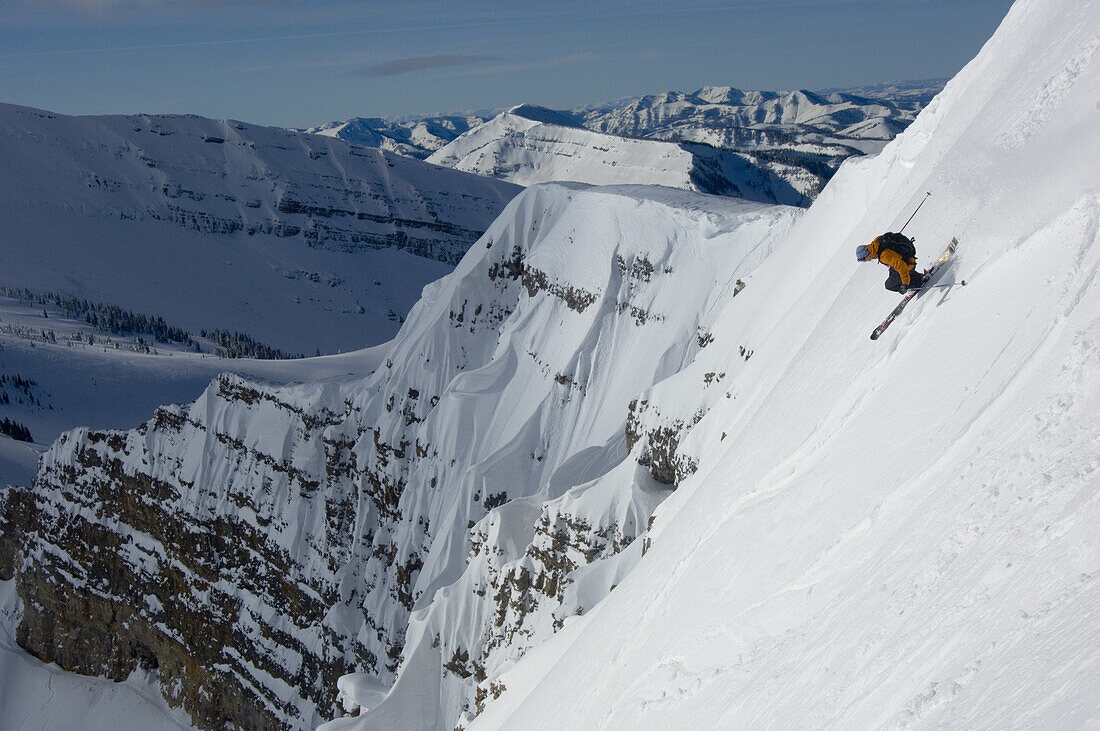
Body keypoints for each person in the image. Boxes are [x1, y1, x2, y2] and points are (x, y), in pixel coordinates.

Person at [856, 232, 927, 294]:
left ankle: (917, 283)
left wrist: (905, 283)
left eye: (864, 259)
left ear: (866, 254)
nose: (866, 261)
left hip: (908, 263)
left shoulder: (884, 256)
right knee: (893, 271)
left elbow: (901, 265)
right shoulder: (876, 242)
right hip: (907, 258)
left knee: (890, 285)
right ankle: (918, 277)